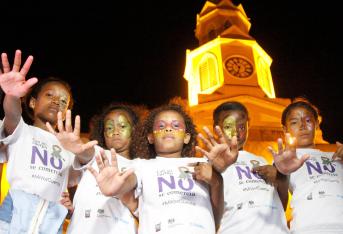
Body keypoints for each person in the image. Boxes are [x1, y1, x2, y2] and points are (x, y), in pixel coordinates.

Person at [89, 103, 226, 234]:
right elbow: (129, 180)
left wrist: (215, 179)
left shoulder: (202, 163)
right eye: (161, 126)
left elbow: (217, 216)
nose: (168, 129)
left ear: (186, 137)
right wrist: (116, 186)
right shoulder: (142, 166)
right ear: (150, 138)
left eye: (176, 125)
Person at [0, 50, 95, 233]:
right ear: (33, 103)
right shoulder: (22, 131)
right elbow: (12, 114)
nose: (56, 101)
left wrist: (69, 205)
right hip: (15, 213)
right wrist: (11, 95)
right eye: (49, 95)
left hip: (52, 218)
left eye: (63, 100)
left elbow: (81, 171)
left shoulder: (69, 147)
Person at [209, 101, 289, 234]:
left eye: (241, 127)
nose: (236, 134)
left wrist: (281, 178)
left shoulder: (261, 160)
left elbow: (281, 206)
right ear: (216, 128)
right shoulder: (209, 164)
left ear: (248, 126)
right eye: (229, 127)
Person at [66, 103, 141, 233]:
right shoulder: (98, 154)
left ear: (134, 130)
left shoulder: (141, 166)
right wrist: (77, 146)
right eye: (109, 128)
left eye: (122, 126)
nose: (116, 131)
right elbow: (85, 151)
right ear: (104, 134)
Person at [270, 98, 343, 233]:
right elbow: (278, 205)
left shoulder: (336, 157)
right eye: (294, 122)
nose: (303, 126)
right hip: (308, 228)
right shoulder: (284, 160)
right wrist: (281, 172)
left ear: (316, 124)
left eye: (308, 120)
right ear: (284, 129)